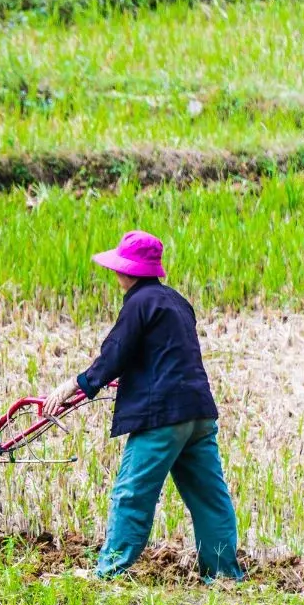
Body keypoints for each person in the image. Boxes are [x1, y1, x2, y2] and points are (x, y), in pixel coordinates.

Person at [42, 230, 244, 581]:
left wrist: (75, 384)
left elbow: (115, 354)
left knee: (131, 494)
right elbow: (164, 354)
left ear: (127, 270)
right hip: (197, 413)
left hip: (162, 418)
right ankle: (225, 574)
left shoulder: (138, 303)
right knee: (210, 499)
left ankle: (108, 571)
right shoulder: (176, 301)